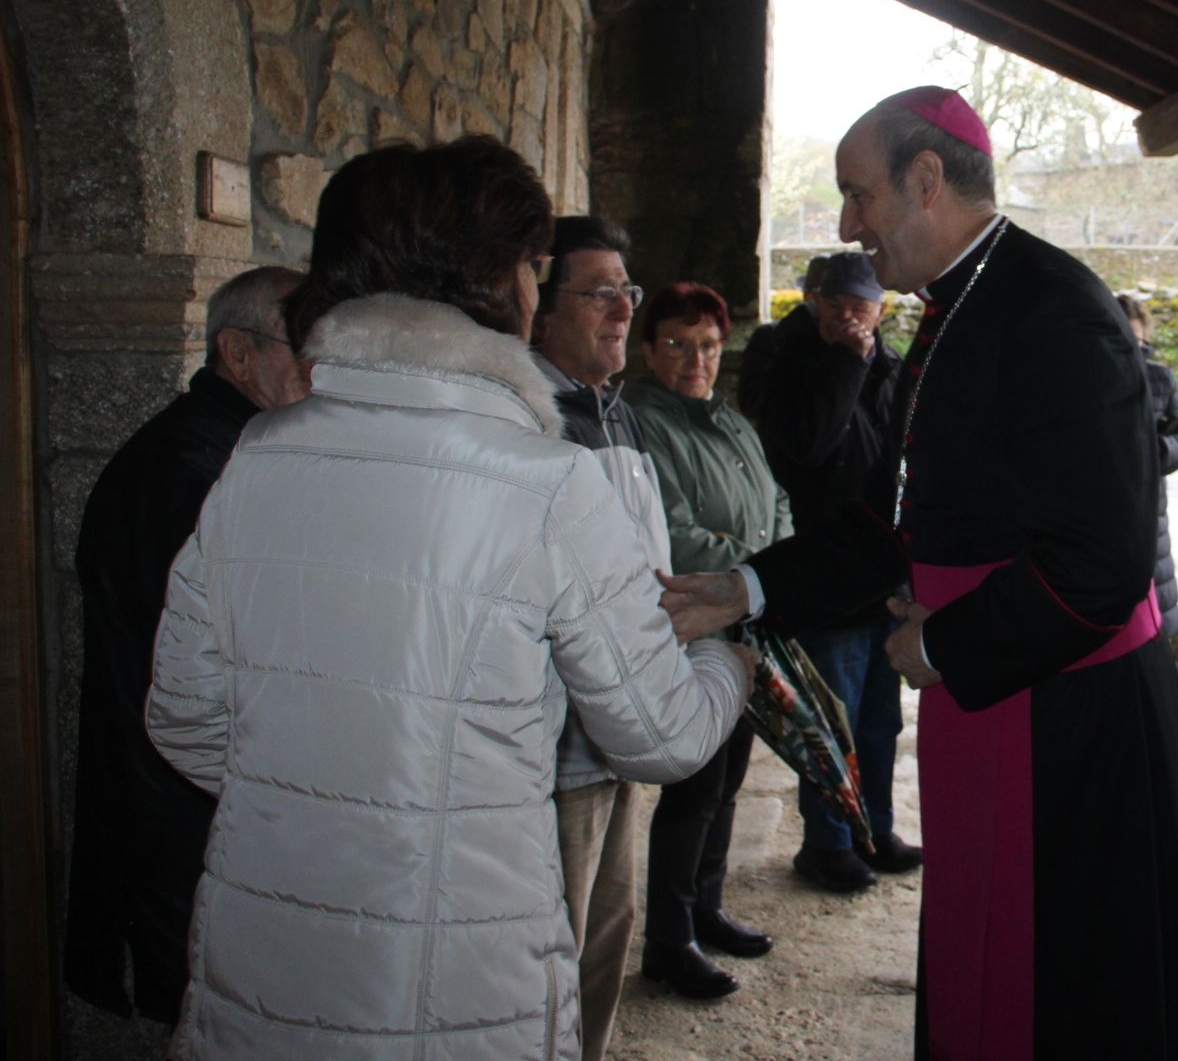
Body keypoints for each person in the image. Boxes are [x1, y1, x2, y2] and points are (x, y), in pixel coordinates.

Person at [664, 87, 1178, 1061]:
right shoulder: (957, 307)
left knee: (1069, 993)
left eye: (858, 194)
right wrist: (748, 587)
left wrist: (939, 640)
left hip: (1071, 719)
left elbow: (1100, 560)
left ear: (924, 179)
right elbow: (898, 517)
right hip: (1003, 701)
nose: (848, 223)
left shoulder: (1060, 310)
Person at [144, 137, 751, 1060]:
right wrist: (724, 659)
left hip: (271, 960)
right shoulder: (547, 481)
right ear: (491, 284)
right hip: (460, 979)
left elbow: (185, 717)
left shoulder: (259, 455)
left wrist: (325, 803)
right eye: (528, 265)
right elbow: (658, 734)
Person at [65, 265, 307, 1024]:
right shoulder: (191, 470)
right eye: (303, 348)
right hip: (177, 809)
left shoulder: (231, 450)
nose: (320, 372)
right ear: (237, 354)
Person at [631, 281, 792, 1001]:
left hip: (747, 624)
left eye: (707, 344)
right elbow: (669, 531)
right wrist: (756, 565)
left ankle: (706, 907)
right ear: (648, 350)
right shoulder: (643, 424)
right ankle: (669, 940)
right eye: (677, 343)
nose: (694, 357)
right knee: (693, 787)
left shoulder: (730, 422)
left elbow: (777, 501)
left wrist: (773, 566)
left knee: (729, 781)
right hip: (695, 630)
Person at [746, 249, 920, 892]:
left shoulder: (891, 362)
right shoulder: (779, 356)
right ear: (812, 302)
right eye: (838, 307)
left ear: (880, 311)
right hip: (822, 567)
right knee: (831, 719)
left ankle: (874, 829)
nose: (850, 320)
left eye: (862, 310)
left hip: (879, 573)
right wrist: (847, 362)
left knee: (880, 718)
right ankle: (826, 843)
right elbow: (810, 442)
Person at [528, 215, 659, 1061]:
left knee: (611, 933)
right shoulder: (527, 420)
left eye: (627, 290)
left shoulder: (621, 414)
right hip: (564, 743)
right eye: (599, 291)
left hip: (625, 732)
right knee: (553, 948)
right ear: (539, 308)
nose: (621, 310)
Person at [1115, 292, 1178, 638]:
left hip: (1149, 511)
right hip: (1105, 512)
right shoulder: (1081, 378)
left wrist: (1154, 450)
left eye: (1139, 343)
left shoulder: (1161, 379)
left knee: (1156, 622)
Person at [738, 253, 831, 423]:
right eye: (833, 301)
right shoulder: (769, 337)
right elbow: (751, 403)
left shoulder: (851, 341)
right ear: (810, 298)